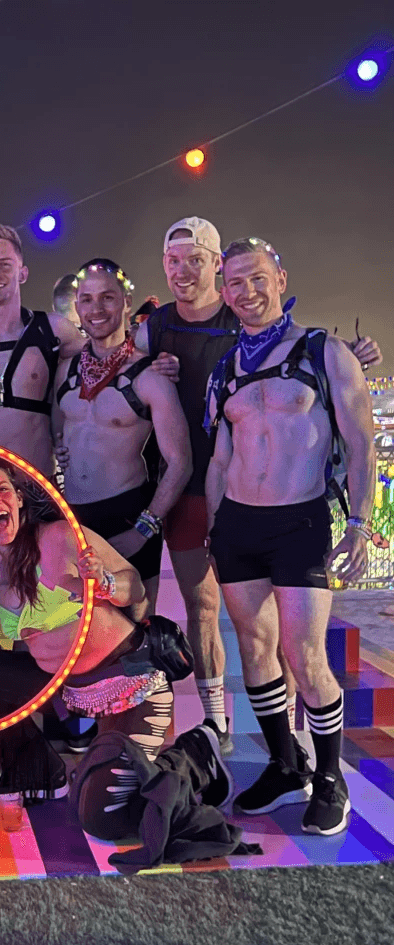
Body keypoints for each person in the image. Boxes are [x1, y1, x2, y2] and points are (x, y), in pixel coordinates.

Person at [137, 216, 382, 748]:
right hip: (204, 496)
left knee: (297, 645)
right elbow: (101, 358)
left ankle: (310, 761)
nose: (184, 271)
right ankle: (238, 734)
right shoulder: (158, 331)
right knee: (236, 629)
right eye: (174, 261)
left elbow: (357, 436)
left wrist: (359, 524)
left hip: (291, 511)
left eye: (196, 260)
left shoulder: (297, 341)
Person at [0, 459, 245, 868]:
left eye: (2, 489)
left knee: (101, 817)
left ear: (18, 499)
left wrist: (104, 583)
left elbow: (135, 586)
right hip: (78, 695)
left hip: (134, 685)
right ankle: (50, 767)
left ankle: (193, 756)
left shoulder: (60, 537)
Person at [206, 237, 376, 835]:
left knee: (305, 657)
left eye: (257, 278)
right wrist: (213, 526)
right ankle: (285, 764)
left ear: (281, 277)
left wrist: (359, 522)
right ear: (223, 293)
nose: (247, 292)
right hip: (238, 526)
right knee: (254, 650)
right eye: (235, 283)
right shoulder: (226, 368)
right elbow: (221, 461)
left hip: (300, 521)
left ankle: (331, 779)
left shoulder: (323, 350)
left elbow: (362, 442)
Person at [53, 259, 191, 614]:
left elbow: (180, 462)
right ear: (77, 306)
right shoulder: (64, 371)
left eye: (108, 298)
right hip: (75, 517)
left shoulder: (150, 375)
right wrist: (59, 447)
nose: (96, 309)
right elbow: (57, 425)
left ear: (127, 302)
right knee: (78, 634)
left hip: (128, 512)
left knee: (133, 637)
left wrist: (144, 529)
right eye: (86, 299)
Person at [0, 225, 86, 476]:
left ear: (22, 273)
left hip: (38, 484)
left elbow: (105, 362)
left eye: (5, 264)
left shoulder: (54, 330)